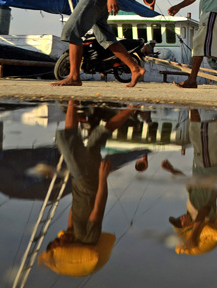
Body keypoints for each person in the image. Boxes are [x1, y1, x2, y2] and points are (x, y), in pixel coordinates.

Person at [47, 100, 146, 248]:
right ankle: (72, 101)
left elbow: (74, 208)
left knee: (100, 135)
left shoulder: (71, 233)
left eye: (56, 239)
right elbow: (98, 208)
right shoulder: (88, 239)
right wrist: (102, 178)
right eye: (59, 241)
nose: (60, 237)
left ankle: (131, 108)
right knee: (68, 140)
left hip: (79, 181)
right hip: (86, 180)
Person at [163, 109, 217, 253]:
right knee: (205, 133)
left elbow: (188, 182)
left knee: (202, 133)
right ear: (188, 227)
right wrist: (193, 237)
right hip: (207, 168)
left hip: (200, 166)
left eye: (177, 220)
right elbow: (204, 210)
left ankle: (195, 104)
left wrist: (172, 170)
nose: (180, 218)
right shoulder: (206, 218)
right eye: (180, 223)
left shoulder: (190, 207)